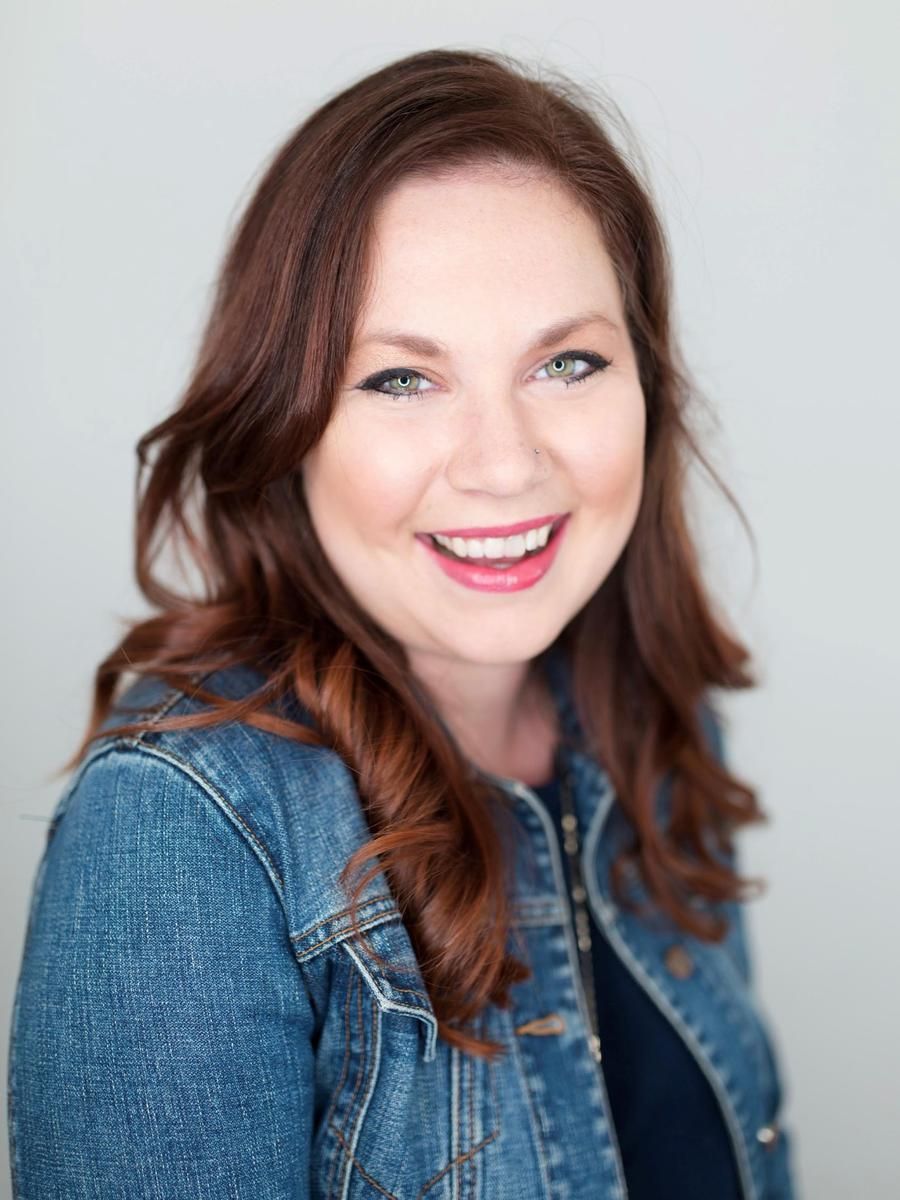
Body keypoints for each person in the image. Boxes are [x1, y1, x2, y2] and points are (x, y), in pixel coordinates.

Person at [7, 47, 796, 1199]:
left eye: (567, 362)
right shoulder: (180, 831)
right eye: (401, 379)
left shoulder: (656, 731)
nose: (504, 463)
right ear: (289, 419)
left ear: (648, 390)